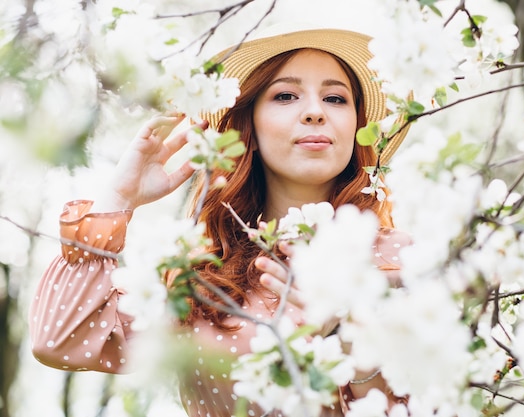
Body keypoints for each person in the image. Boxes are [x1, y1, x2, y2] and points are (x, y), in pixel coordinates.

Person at [29, 27, 412, 416]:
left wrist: (352, 335)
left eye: (335, 98)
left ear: (356, 126)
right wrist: (118, 199)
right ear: (252, 128)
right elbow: (61, 339)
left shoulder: (409, 260)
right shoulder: (199, 277)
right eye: (285, 95)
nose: (315, 111)